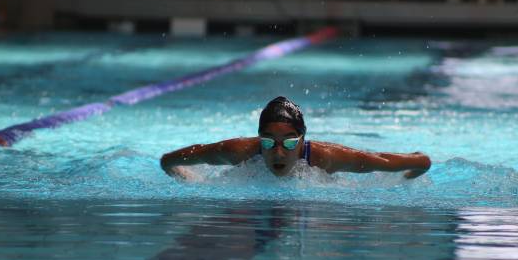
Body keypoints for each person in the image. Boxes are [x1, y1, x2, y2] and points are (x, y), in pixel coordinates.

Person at [161, 96, 431, 181]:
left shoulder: (325, 158)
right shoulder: (238, 151)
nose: (278, 152)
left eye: (289, 142)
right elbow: (169, 161)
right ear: (258, 139)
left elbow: (419, 162)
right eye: (268, 142)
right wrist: (189, 181)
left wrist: (412, 171)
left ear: (302, 140)